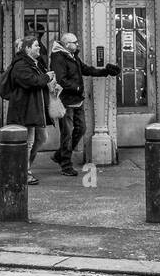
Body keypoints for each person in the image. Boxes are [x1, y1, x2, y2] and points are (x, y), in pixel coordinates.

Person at [49, 32, 119, 176]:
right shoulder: (58, 57)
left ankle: (59, 155)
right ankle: (66, 165)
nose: (78, 44)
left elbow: (85, 69)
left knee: (81, 128)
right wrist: (78, 87)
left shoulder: (72, 55)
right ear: (67, 45)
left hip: (77, 100)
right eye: (75, 42)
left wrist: (105, 71)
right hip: (66, 101)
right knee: (67, 133)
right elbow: (61, 79)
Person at [1, 34, 55, 185]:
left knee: (42, 138)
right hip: (25, 110)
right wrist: (47, 77)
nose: (39, 48)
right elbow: (33, 82)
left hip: (35, 109)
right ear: (27, 49)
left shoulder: (33, 63)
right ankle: (23, 172)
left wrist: (47, 80)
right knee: (29, 142)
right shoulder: (20, 65)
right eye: (36, 46)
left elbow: (38, 81)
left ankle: (25, 167)